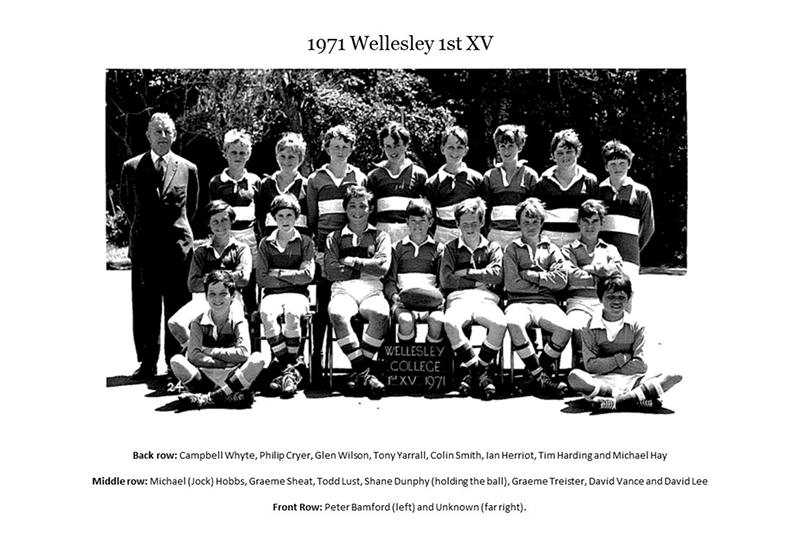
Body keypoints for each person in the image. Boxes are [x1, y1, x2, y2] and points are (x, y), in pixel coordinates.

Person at [119, 112, 199, 379]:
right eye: (158, 132)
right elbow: (128, 204)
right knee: (144, 307)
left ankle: (175, 361)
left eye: (168, 131)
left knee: (177, 305)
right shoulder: (131, 167)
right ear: (148, 136)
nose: (163, 136)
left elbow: (192, 207)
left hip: (178, 249)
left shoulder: (188, 168)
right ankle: (147, 361)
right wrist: (145, 228)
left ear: (174, 135)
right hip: (145, 248)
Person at [567, 272, 682, 411]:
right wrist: (623, 358)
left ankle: (616, 402)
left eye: (622, 297)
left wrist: (606, 363)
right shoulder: (589, 326)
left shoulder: (637, 325)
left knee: (674, 375)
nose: (616, 302)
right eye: (610, 297)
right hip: (601, 381)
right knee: (574, 376)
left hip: (633, 380)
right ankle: (634, 399)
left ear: (628, 299)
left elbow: (641, 366)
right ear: (600, 299)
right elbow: (591, 366)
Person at [307, 125, 367, 374]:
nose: (340, 151)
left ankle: (360, 359)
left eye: (345, 146)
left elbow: (361, 213)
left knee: (357, 298)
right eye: (335, 147)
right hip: (325, 249)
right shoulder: (315, 179)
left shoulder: (360, 177)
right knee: (323, 303)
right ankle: (317, 355)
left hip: (352, 246)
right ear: (327, 148)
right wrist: (319, 251)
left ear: (352, 148)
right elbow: (312, 218)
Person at [325, 185, 391, 397]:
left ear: (370, 209)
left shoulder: (381, 236)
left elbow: (382, 268)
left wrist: (353, 261)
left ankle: (357, 374)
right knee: (337, 314)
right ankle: (365, 373)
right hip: (343, 290)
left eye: (363, 206)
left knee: (380, 315)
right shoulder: (334, 237)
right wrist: (366, 268)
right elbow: (331, 271)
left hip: (372, 290)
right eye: (352, 206)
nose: (357, 211)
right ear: (345, 209)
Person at [503, 198, 571, 398]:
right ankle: (541, 377)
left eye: (535, 222)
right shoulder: (512, 249)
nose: (530, 226)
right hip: (518, 302)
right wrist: (545, 279)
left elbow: (560, 281)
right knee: (514, 323)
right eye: (526, 222)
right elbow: (512, 284)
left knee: (565, 328)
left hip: (546, 303)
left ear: (542, 223)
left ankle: (533, 375)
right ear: (518, 224)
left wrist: (530, 275)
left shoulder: (552, 249)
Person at [440, 198, 506, 399]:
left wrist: (466, 272)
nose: (470, 228)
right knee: (450, 322)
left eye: (474, 223)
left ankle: (472, 373)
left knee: (500, 323)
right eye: (465, 224)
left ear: (482, 222)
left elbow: (497, 275)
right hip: (459, 298)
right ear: (457, 225)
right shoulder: (450, 248)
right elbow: (446, 280)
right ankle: (481, 373)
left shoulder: (493, 247)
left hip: (487, 298)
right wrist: (478, 279)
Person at [171, 270, 265, 409]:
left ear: (232, 296)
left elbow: (244, 353)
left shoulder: (238, 321)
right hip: (205, 375)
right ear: (206, 297)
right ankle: (226, 397)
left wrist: (208, 350)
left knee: (258, 359)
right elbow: (193, 356)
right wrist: (225, 361)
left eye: (223, 294)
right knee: (176, 361)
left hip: (232, 376)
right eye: (212, 294)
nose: (217, 299)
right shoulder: (198, 322)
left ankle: (210, 398)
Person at [167, 200, 251, 351]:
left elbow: (244, 279)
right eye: (215, 222)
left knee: (232, 327)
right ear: (209, 225)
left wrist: (209, 278)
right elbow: (193, 284)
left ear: (232, 220)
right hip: (205, 299)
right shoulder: (201, 251)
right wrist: (229, 277)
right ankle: (199, 354)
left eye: (225, 220)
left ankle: (234, 363)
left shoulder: (241, 249)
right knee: (175, 323)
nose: (220, 226)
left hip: (232, 298)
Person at [255, 194, 315, 397]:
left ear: (296, 216)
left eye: (289, 215)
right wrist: (293, 276)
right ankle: (290, 367)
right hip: (272, 294)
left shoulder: (305, 242)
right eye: (280, 215)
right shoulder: (266, 243)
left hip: (298, 294)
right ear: (274, 218)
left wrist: (279, 272)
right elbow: (262, 278)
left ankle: (283, 369)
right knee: (267, 314)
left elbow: (307, 276)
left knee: (291, 314)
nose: (285, 220)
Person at [561, 199, 624, 369]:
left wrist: (587, 268)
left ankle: (607, 368)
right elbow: (571, 276)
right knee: (578, 326)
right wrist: (602, 275)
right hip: (578, 303)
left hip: (604, 303)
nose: (590, 226)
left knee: (615, 327)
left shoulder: (610, 249)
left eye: (595, 221)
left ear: (602, 223)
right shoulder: (569, 249)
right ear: (578, 223)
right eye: (586, 221)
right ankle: (583, 365)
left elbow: (618, 274)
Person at [597, 140, 655, 309]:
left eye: (622, 163)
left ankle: (626, 335)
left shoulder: (641, 192)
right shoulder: (599, 190)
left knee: (625, 299)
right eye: (613, 163)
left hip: (629, 257)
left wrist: (634, 248)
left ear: (629, 164)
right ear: (606, 166)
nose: (618, 167)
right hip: (603, 256)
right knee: (603, 298)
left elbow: (648, 227)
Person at [208, 129, 260, 314]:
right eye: (234, 152)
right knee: (226, 285)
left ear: (249, 155)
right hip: (226, 241)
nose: (238, 156)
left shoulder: (255, 181)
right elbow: (213, 215)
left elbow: (259, 215)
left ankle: (251, 338)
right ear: (225, 154)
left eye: (243, 153)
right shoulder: (216, 182)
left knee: (249, 290)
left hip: (250, 241)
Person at [383, 198, 445, 344]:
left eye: (422, 220)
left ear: (430, 222)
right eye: (413, 220)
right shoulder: (396, 248)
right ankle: (409, 358)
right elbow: (390, 280)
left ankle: (430, 359)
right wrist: (394, 297)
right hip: (404, 302)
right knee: (405, 321)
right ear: (407, 222)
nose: (417, 225)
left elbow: (443, 281)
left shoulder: (440, 249)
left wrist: (440, 297)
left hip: (431, 302)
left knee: (437, 321)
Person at [532, 128, 599, 248]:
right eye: (560, 153)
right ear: (552, 155)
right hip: (549, 243)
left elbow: (597, 216)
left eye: (569, 151)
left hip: (578, 242)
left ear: (577, 152)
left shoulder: (590, 181)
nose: (565, 156)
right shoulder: (543, 182)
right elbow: (536, 216)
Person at [365, 121, 428, 243]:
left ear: (406, 145)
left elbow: (426, 212)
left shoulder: (419, 175)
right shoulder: (374, 176)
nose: (392, 150)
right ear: (382, 147)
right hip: (382, 234)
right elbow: (369, 214)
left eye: (397, 145)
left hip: (410, 235)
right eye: (388, 146)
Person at [425, 126, 485, 244]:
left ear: (466, 150)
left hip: (470, 238)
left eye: (459, 148)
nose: (455, 152)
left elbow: (483, 215)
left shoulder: (476, 179)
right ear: (442, 149)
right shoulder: (432, 183)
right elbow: (429, 219)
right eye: (450, 147)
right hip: (442, 239)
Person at [484, 124, 539, 249]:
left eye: (511, 146)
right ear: (498, 148)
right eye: (502, 146)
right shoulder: (489, 176)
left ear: (519, 147)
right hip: (495, 236)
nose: (506, 151)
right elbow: (486, 211)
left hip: (521, 236)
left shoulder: (530, 175)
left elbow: (535, 212)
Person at [255, 132, 310, 241]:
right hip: (270, 246)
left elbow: (311, 219)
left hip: (299, 247)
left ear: (300, 159)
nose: (286, 161)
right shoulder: (266, 184)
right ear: (276, 157)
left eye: (291, 157)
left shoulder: (307, 185)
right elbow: (259, 217)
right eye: (282, 156)